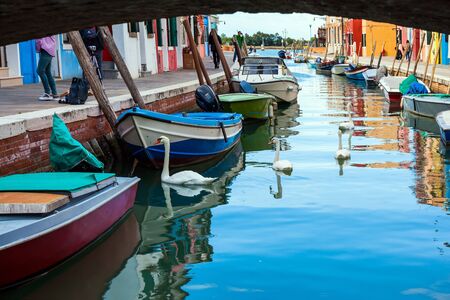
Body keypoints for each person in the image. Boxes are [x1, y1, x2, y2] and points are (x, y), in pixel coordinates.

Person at [35, 36, 59, 101]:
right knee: (48, 72)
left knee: (40, 71)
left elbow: (38, 40)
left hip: (45, 50)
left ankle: (47, 93)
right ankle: (55, 94)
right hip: (50, 50)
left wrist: (38, 48)